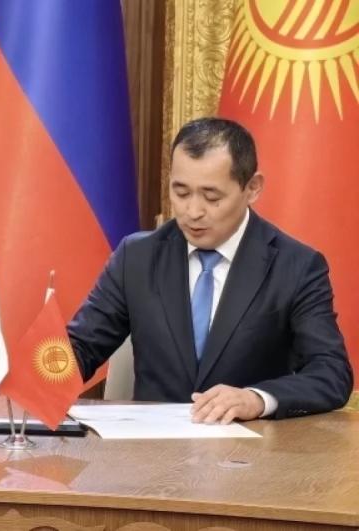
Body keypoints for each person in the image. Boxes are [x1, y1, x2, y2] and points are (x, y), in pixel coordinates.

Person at [68, 117, 353, 423]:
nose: (192, 212)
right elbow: (81, 348)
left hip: (251, 447)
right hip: (153, 445)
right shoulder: (136, 257)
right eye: (181, 193)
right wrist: (38, 369)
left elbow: (331, 372)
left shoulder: (296, 266)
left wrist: (257, 398)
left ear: (252, 188)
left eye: (211, 197)